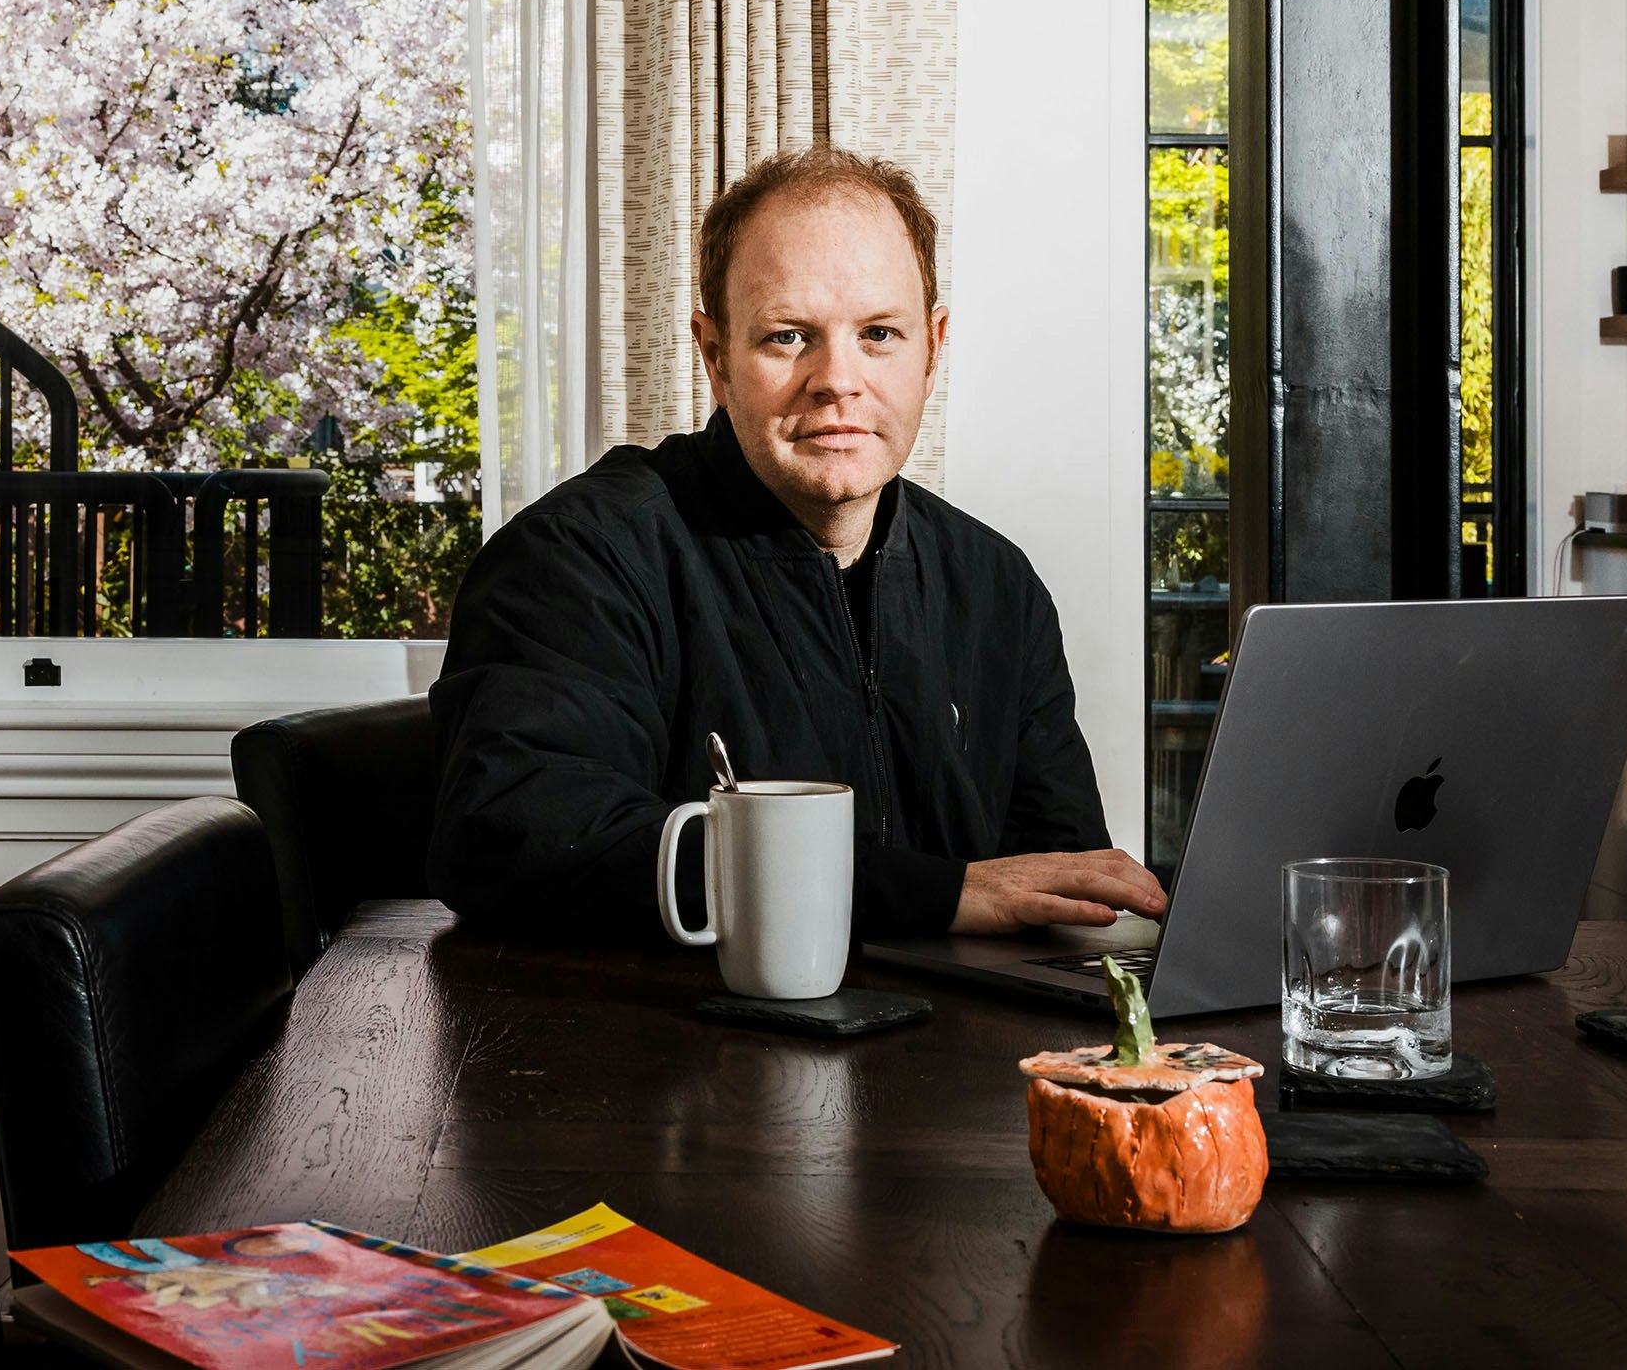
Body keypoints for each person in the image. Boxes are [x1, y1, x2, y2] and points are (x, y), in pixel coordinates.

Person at [427, 146, 1168, 942]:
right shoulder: (576, 559)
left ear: (933, 347)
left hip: (955, 1058)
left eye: (879, 333)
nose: (837, 379)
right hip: (681, 1057)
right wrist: (932, 891)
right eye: (787, 337)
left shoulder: (996, 586)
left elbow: (1059, 886)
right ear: (715, 356)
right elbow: (515, 837)